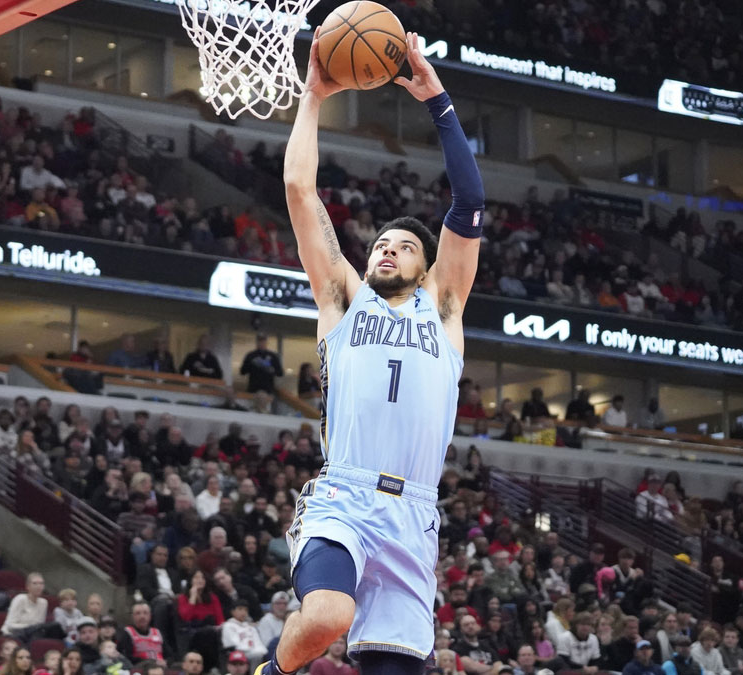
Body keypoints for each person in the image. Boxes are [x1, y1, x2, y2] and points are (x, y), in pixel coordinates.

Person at [261, 29, 482, 675]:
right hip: (345, 496)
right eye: (380, 242)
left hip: (413, 513)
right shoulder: (342, 300)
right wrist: (312, 94)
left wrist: (436, 96)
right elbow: (302, 192)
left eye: (404, 245)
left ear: (427, 266)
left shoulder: (444, 311)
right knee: (328, 616)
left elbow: (470, 201)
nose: (386, 248)